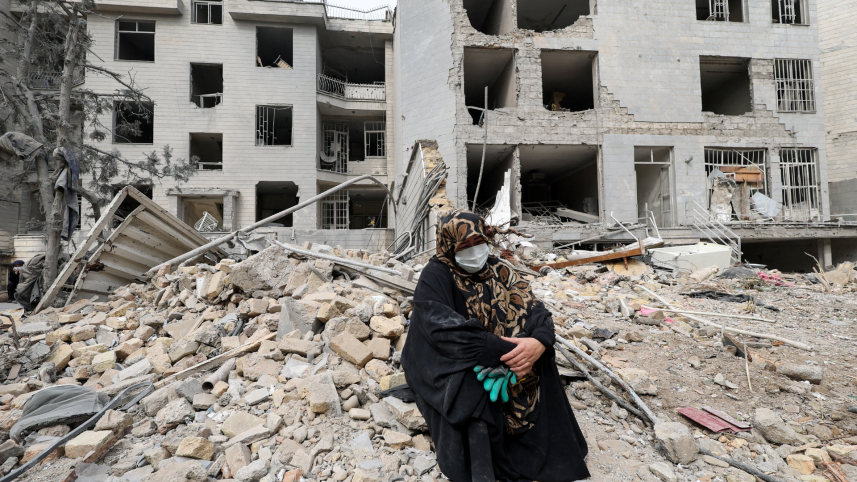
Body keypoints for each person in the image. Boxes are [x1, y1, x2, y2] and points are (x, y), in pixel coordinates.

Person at [401, 210, 590, 482]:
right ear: (448, 245)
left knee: (542, 359)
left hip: (497, 353)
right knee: (472, 388)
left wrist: (538, 342)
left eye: (478, 242)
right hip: (443, 359)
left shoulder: (501, 270)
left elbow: (536, 311)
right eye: (464, 246)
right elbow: (444, 330)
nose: (474, 251)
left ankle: (543, 446)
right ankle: (484, 464)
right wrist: (507, 353)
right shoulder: (436, 275)